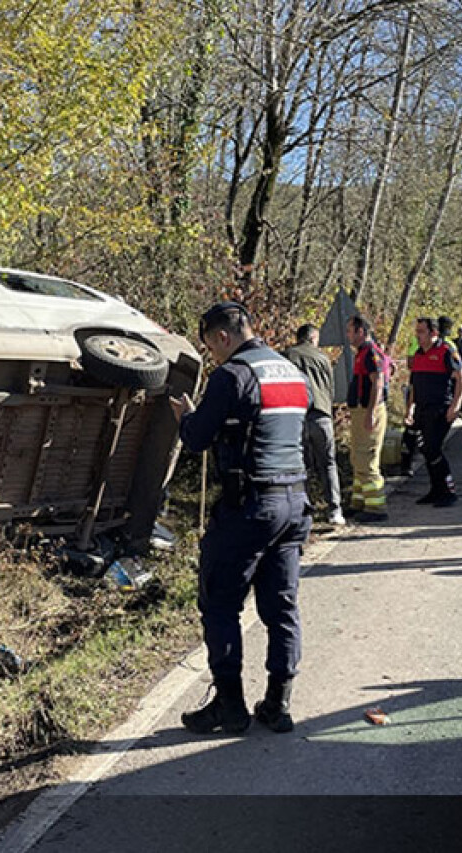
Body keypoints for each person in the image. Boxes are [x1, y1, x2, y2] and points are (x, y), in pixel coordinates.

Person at [170, 302, 313, 735]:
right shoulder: (291, 372)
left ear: (222, 338)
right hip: (295, 502)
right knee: (281, 605)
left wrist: (185, 417)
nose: (213, 355)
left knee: (220, 602)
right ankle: (278, 703)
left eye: (211, 346)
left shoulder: (232, 376)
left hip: (251, 506)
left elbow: (197, 439)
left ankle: (230, 707)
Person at [284, 325, 345, 526]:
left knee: (300, 466)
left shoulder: (287, 356)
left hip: (297, 417)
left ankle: (303, 509)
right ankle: (335, 510)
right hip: (322, 416)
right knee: (328, 463)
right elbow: (331, 390)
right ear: (313, 338)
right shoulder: (323, 358)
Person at [405, 317, 462, 506]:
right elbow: (414, 385)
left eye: (422, 332)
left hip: (440, 408)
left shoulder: (446, 351)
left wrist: (455, 405)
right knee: (426, 449)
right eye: (417, 332)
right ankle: (436, 489)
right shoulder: (418, 354)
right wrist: (410, 409)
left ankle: (448, 491)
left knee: (433, 448)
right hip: (422, 408)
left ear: (434, 333)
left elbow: (461, 378)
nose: (418, 336)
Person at [345, 315, 389, 522]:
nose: (348, 335)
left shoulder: (370, 352)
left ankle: (376, 507)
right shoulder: (363, 353)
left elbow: (377, 383)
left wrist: (371, 412)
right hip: (361, 411)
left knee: (366, 458)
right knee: (357, 457)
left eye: (350, 331)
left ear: (361, 331)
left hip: (368, 411)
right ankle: (359, 501)